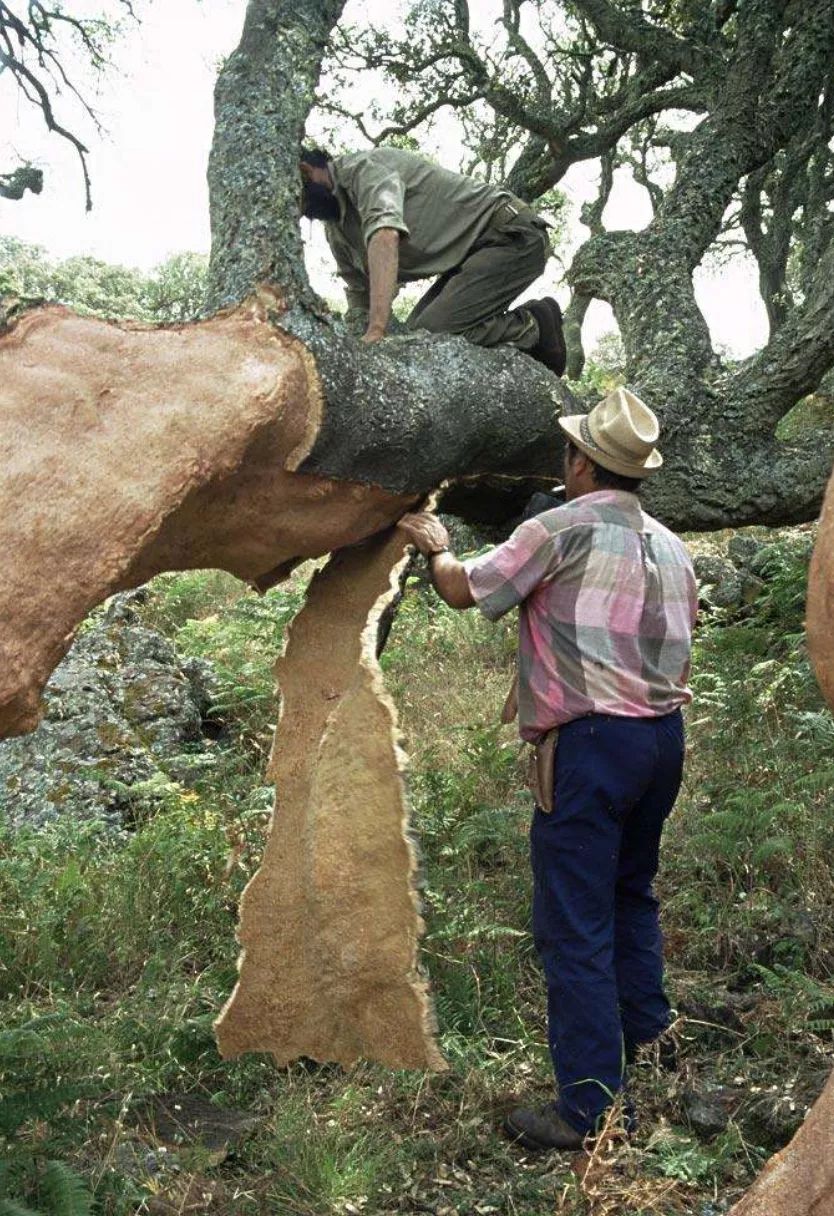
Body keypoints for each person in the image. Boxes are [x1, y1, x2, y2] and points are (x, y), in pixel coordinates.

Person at [397, 388, 697, 1151]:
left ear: (582, 462)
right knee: (631, 896)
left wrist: (436, 546)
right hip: (662, 741)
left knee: (575, 925)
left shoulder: (558, 527)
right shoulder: (671, 543)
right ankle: (658, 1054)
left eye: (570, 452)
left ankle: (592, 1109)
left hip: (593, 746)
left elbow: (466, 591)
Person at [300, 145, 566, 374]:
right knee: (415, 338)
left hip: (510, 234)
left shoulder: (363, 169)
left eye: (300, 199)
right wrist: (356, 353)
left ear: (306, 171)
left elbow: (385, 235)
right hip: (470, 258)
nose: (303, 211)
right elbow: (359, 294)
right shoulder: (337, 231)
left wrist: (377, 330)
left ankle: (533, 325)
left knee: (434, 336)